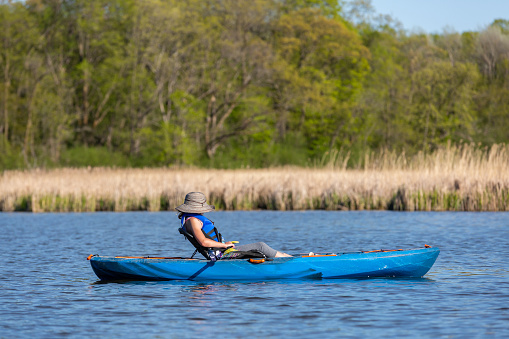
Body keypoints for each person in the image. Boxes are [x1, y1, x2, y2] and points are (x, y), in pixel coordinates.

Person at [176, 192, 292, 258]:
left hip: (221, 251)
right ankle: (292, 262)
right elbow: (204, 242)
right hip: (222, 255)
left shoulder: (191, 219)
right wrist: (223, 246)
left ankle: (290, 258)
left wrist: (223, 245)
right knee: (260, 246)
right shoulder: (193, 221)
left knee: (263, 248)